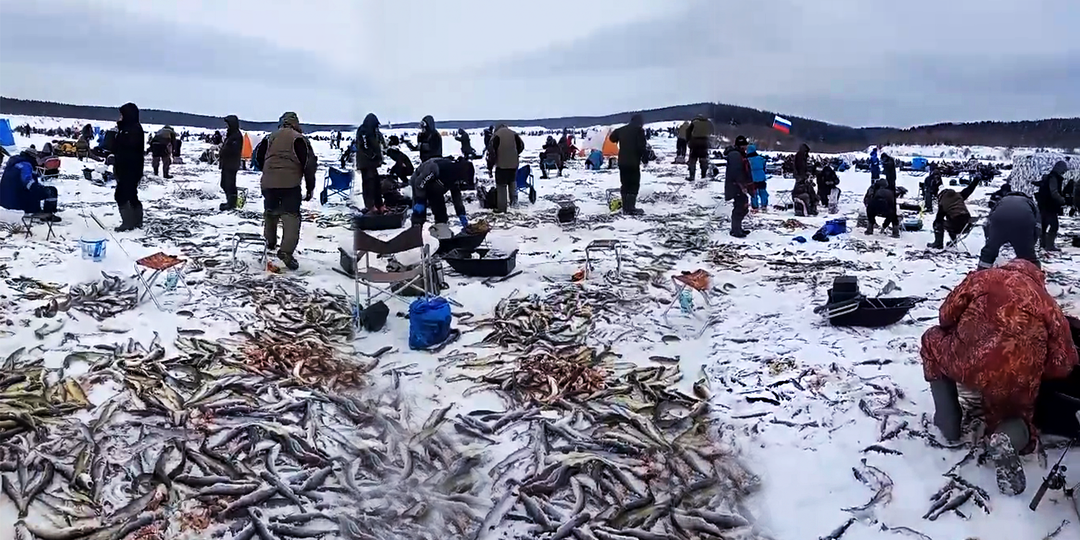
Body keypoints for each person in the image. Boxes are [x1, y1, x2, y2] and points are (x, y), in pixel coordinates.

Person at [922, 258, 1078, 495]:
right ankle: (1007, 437)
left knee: (931, 338)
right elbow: (1064, 362)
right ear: (1038, 277)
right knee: (1015, 416)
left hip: (967, 359)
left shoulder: (981, 278)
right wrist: (1037, 373)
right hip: (1016, 373)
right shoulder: (1047, 303)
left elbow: (945, 316)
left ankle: (948, 422)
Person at [253, 112, 314, 271]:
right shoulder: (299, 139)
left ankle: (270, 242)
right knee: (291, 217)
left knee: (271, 213)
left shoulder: (269, 137)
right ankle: (286, 252)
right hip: (290, 185)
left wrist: (268, 171)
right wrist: (310, 187)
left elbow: (257, 158)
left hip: (268, 183)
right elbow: (309, 164)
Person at [980, 190, 1041, 269]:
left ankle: (981, 272)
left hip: (999, 221)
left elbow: (988, 222)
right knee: (1028, 256)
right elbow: (1038, 225)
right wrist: (1030, 244)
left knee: (989, 252)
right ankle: (1035, 275)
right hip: (1023, 222)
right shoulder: (1030, 203)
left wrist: (990, 239)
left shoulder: (1002, 201)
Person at [409, 157, 468, 239]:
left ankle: (441, 236)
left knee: (441, 213)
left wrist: (461, 213)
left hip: (435, 188)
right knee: (419, 213)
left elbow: (456, 195)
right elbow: (419, 183)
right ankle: (414, 237)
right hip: (419, 183)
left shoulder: (456, 177)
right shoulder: (436, 168)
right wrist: (420, 201)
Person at [112, 103, 145, 232]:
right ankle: (136, 221)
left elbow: (129, 149)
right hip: (126, 167)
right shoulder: (127, 128)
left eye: (122, 114)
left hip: (130, 168)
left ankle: (128, 222)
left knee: (121, 195)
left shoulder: (132, 129)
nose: (119, 117)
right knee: (131, 194)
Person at [608, 115, 649, 216]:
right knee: (633, 184)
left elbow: (612, 138)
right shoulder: (639, 131)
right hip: (633, 162)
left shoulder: (622, 129)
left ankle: (626, 207)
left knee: (625, 184)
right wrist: (645, 159)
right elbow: (641, 147)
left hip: (622, 162)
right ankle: (631, 208)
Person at [0, 149, 58, 220]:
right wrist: (39, 190)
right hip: (17, 201)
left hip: (5, 199)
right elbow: (28, 182)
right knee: (51, 191)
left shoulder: (14, 163)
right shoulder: (26, 165)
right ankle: (47, 214)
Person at [927, 176, 981, 249]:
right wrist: (976, 180)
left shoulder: (943, 201)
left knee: (937, 223)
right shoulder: (958, 195)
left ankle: (938, 243)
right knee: (952, 219)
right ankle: (953, 241)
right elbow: (969, 190)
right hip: (967, 225)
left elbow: (939, 218)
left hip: (957, 227)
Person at [1035, 160, 1068, 251]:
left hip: (1042, 205)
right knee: (1054, 226)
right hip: (1050, 206)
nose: (1064, 172)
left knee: (1044, 225)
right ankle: (1050, 246)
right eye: (1063, 170)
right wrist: (1062, 200)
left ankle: (1043, 244)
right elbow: (1054, 192)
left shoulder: (1047, 177)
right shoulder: (1054, 178)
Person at [491, 124, 524, 212]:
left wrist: (491, 165)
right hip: (513, 164)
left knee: (501, 186)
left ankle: (502, 208)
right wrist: (515, 154)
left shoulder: (496, 135)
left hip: (501, 165)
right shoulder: (514, 134)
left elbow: (491, 151)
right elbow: (521, 146)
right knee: (512, 183)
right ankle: (514, 203)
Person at [355, 113, 385, 213]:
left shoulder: (373, 131)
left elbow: (377, 144)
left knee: (376, 184)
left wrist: (379, 157)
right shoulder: (363, 131)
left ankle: (379, 204)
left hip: (372, 163)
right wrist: (373, 156)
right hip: (366, 163)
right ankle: (370, 206)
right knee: (369, 184)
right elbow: (364, 146)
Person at [725, 136, 754, 237]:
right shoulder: (735, 155)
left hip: (739, 184)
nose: (746, 147)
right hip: (736, 185)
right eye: (745, 145)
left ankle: (737, 228)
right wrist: (741, 185)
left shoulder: (739, 154)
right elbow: (736, 172)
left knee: (743, 206)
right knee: (740, 207)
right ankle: (736, 230)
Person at [218, 115, 243, 211]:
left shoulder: (236, 136)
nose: (226, 126)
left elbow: (234, 150)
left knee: (229, 184)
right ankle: (230, 201)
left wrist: (225, 150)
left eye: (228, 124)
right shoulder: (231, 134)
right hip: (227, 163)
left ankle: (232, 203)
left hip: (232, 164)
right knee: (224, 184)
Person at [686, 115, 713, 181]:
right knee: (703, 159)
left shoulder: (694, 122)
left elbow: (688, 131)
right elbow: (711, 131)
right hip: (704, 142)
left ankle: (692, 176)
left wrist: (688, 140)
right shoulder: (708, 123)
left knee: (692, 160)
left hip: (694, 142)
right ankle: (703, 175)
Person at [746, 144, 768, 212]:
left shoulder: (747, 160)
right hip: (761, 177)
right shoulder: (761, 158)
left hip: (752, 178)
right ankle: (764, 205)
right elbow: (764, 166)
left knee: (754, 193)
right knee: (763, 192)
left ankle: (755, 206)